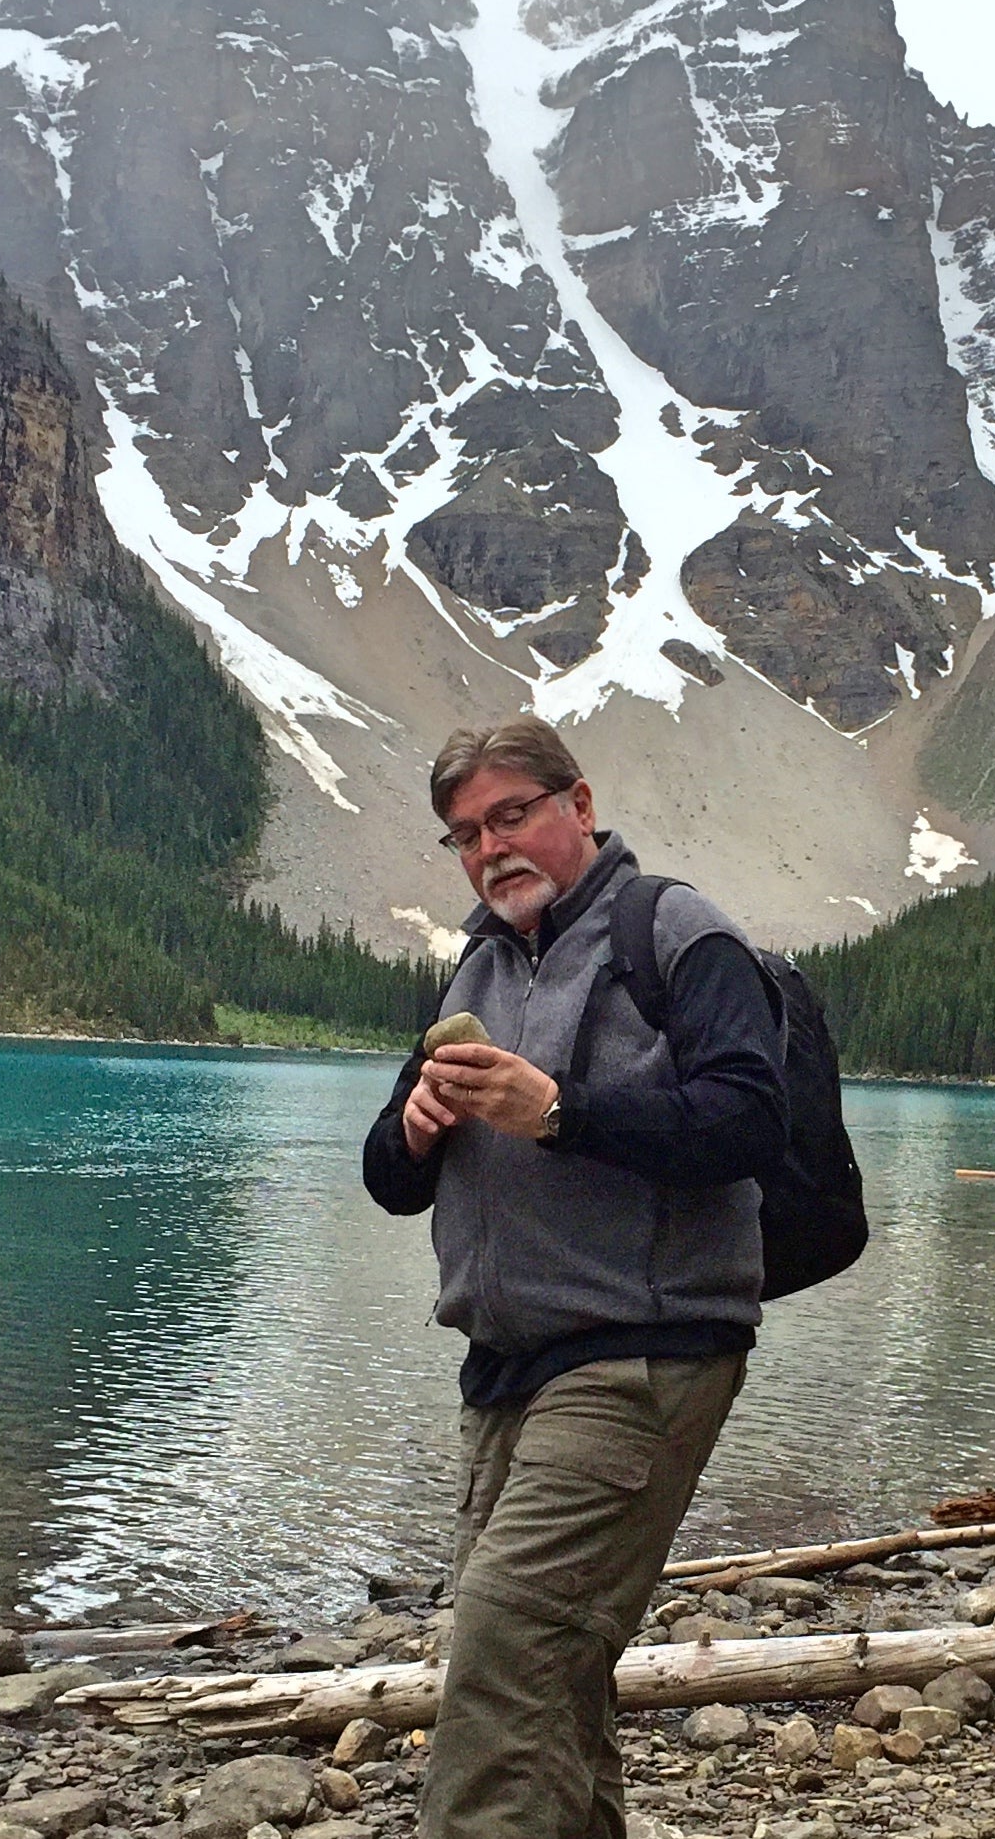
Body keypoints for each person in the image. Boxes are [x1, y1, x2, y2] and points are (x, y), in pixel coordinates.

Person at [363, 715, 789, 1839]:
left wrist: (559, 1110)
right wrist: (412, 1128)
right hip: (505, 1371)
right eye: (464, 833)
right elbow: (388, 1180)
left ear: (579, 804)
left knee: (506, 1653)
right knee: (555, 1674)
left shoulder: (675, 930)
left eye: (511, 815)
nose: (489, 848)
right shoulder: (478, 964)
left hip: (643, 1352)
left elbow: (749, 1116)